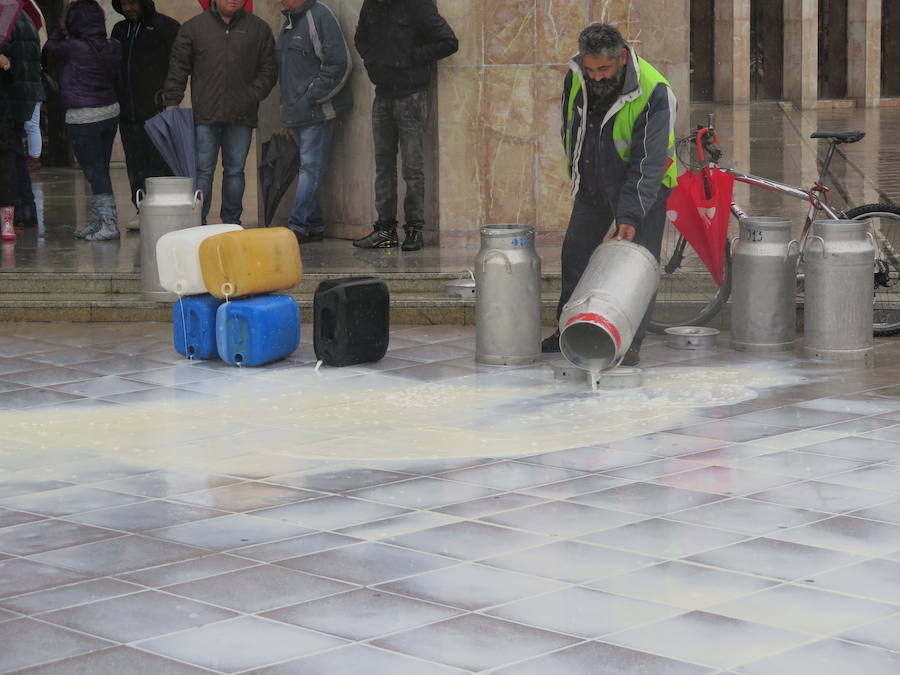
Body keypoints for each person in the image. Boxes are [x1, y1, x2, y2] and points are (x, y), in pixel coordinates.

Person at [542, 23, 677, 366]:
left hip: (645, 188)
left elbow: (648, 162)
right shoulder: (576, 78)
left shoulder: (654, 89)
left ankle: (629, 343)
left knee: (637, 267)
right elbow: (572, 129)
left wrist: (629, 215)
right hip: (593, 184)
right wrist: (580, 176)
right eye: (590, 69)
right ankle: (567, 329)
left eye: (603, 69)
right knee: (575, 255)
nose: (597, 77)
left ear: (620, 57)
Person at [352, 0, 457, 251]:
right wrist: (374, 61)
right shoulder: (372, 5)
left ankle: (414, 229)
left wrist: (410, 58)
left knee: (412, 168)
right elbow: (361, 39)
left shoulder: (418, 4)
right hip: (383, 92)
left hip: (411, 94)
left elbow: (449, 42)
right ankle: (385, 230)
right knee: (383, 167)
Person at [163, 0, 277, 226]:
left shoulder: (259, 28)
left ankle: (232, 222)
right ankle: (198, 222)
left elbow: (270, 68)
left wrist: (252, 94)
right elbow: (178, 67)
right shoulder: (194, 27)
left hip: (242, 115)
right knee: (203, 171)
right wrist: (171, 102)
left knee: (235, 171)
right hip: (205, 115)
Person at [43, 0, 122, 241]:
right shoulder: (113, 46)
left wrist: (60, 26)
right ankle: (98, 221)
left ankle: (108, 223)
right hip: (109, 112)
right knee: (101, 169)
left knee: (94, 172)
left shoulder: (70, 47)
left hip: (83, 116)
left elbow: (48, 48)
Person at [275, 0, 352, 245]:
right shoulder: (289, 21)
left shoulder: (319, 15)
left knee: (310, 169)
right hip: (296, 111)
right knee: (309, 168)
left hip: (316, 111)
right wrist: (286, 104)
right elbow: (287, 69)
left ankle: (297, 225)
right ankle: (313, 225)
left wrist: (311, 97)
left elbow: (339, 63)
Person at [111, 0, 180, 228]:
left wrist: (170, 99)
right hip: (127, 110)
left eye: (131, 2)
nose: (127, 7)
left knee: (161, 161)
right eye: (123, 3)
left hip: (157, 109)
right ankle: (142, 208)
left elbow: (178, 68)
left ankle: (166, 209)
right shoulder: (120, 30)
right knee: (135, 162)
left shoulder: (166, 27)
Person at [1, 10, 44, 230]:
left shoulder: (5, 18)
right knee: (15, 153)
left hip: (11, 95)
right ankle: (26, 213)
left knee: (11, 158)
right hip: (24, 91)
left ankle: (17, 212)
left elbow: (6, 58)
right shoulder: (21, 15)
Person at [0, 53, 16, 241]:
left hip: (2, 123)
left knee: (5, 174)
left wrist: (8, 65)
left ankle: (7, 221)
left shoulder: (5, 46)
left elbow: (14, 82)